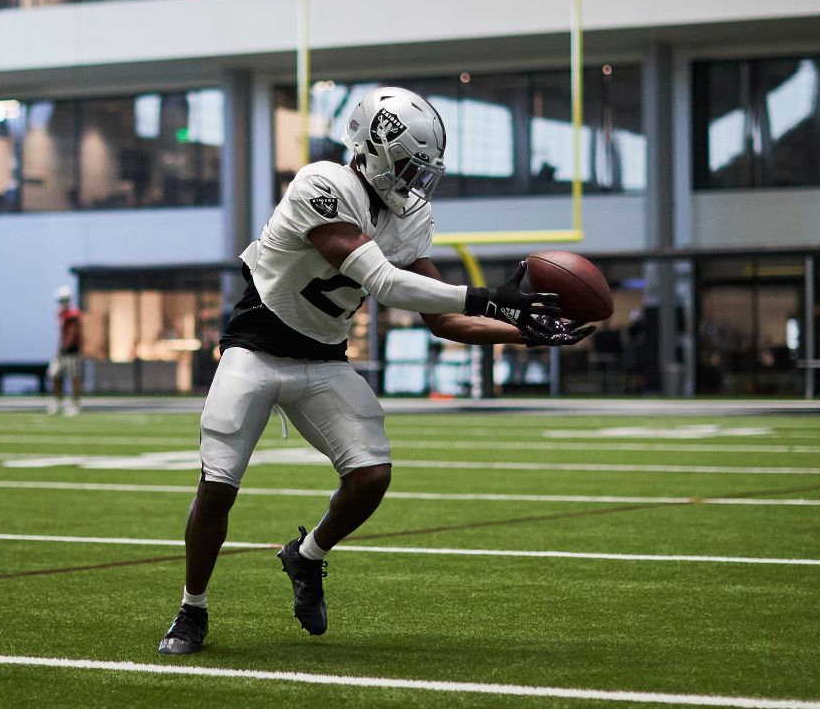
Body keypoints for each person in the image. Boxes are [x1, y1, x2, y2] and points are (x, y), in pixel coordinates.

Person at [157, 87, 593, 655]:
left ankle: (306, 556)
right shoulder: (321, 184)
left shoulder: (411, 215)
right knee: (218, 484)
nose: (415, 179)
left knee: (371, 475)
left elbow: (442, 318)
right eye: (411, 163)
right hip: (256, 350)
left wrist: (522, 333)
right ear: (377, 147)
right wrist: (494, 299)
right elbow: (384, 282)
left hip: (322, 356)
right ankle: (192, 611)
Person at [48, 285, 83, 416]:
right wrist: (59, 349)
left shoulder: (73, 315)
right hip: (62, 351)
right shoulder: (61, 315)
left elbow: (72, 334)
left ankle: (75, 404)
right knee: (54, 374)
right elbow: (62, 335)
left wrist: (65, 347)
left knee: (74, 377)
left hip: (72, 351)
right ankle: (58, 402)